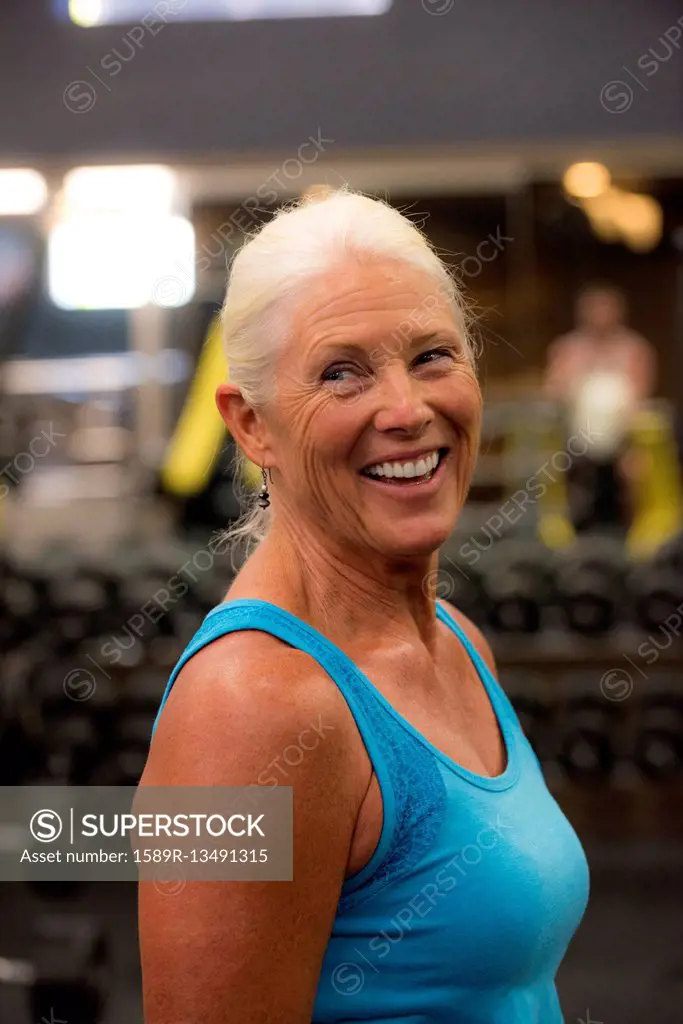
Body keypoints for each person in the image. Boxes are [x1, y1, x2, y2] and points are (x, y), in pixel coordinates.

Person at [139, 190, 590, 1023]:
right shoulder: (247, 712)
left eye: (431, 356)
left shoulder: (457, 641)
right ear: (250, 426)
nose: (406, 409)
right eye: (340, 372)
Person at [544, 283, 657, 532]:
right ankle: (577, 532)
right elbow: (553, 389)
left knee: (637, 465)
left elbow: (642, 392)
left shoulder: (634, 349)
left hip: (623, 436)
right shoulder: (568, 349)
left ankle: (629, 530)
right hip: (576, 437)